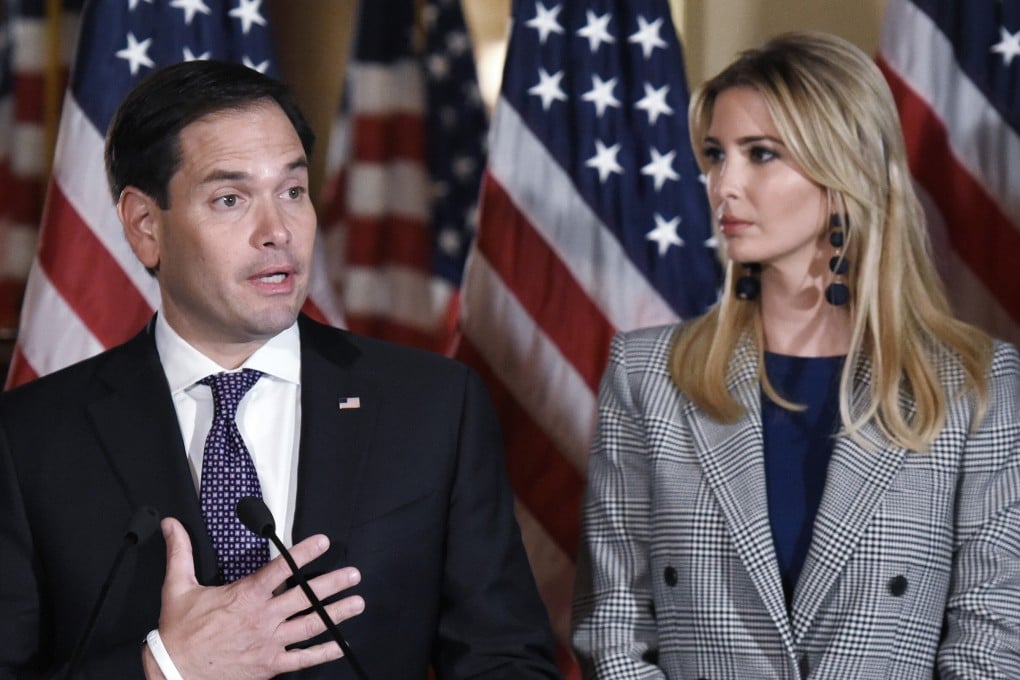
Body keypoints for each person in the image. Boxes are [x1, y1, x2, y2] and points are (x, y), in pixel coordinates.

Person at [0, 60, 560, 679]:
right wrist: (165, 667)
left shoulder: (432, 406)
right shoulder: (31, 437)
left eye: (293, 191)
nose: (278, 232)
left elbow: (506, 659)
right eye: (231, 199)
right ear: (144, 226)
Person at [571, 31, 1020, 679]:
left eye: (761, 154)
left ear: (845, 172)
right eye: (714, 155)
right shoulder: (648, 376)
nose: (724, 184)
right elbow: (613, 627)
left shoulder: (976, 385)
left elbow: (990, 643)